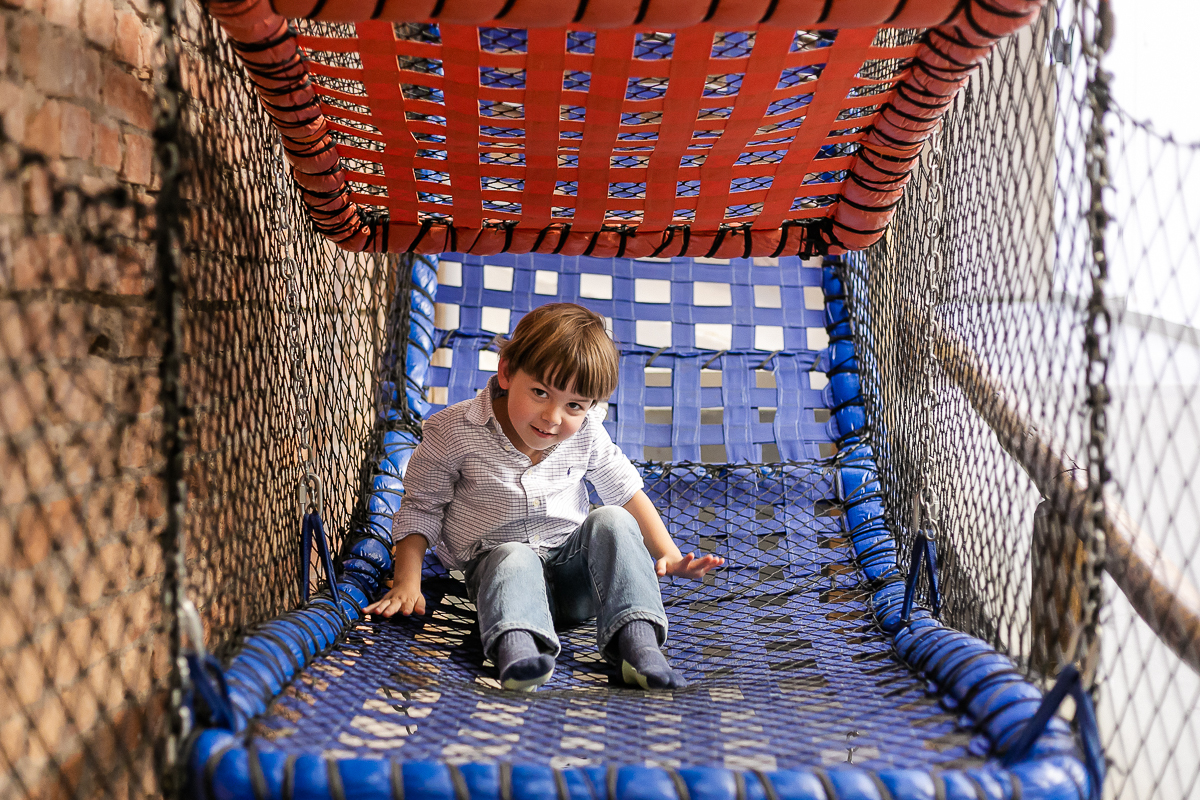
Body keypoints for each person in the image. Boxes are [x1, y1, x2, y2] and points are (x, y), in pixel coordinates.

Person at [365, 302, 724, 691]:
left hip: (579, 582)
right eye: (539, 392)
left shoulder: (586, 432)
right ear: (506, 372)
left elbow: (625, 490)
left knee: (612, 519)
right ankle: (519, 653)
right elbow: (421, 508)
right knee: (513, 553)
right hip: (502, 582)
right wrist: (407, 582)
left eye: (574, 405)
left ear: (591, 406)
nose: (553, 417)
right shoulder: (455, 432)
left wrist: (667, 552)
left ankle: (638, 645)